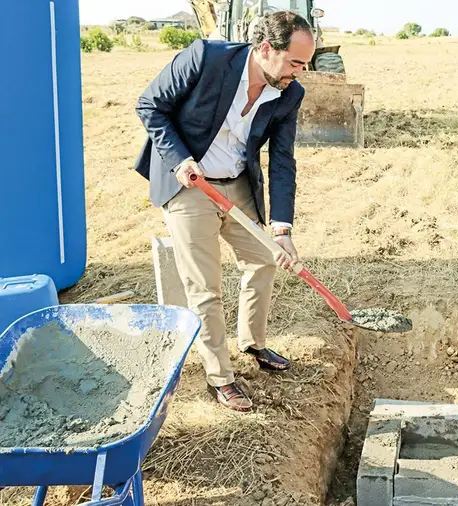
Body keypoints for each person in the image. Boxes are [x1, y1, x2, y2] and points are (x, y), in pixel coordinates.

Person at [133, 11, 315, 411]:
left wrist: (282, 227)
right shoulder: (205, 58)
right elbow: (150, 105)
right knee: (205, 285)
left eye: (305, 65)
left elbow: (282, 159)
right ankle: (221, 377)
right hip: (189, 183)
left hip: (237, 183)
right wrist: (180, 159)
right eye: (295, 63)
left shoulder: (289, 92)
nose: (299, 74)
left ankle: (253, 343)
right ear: (266, 49)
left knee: (265, 257)